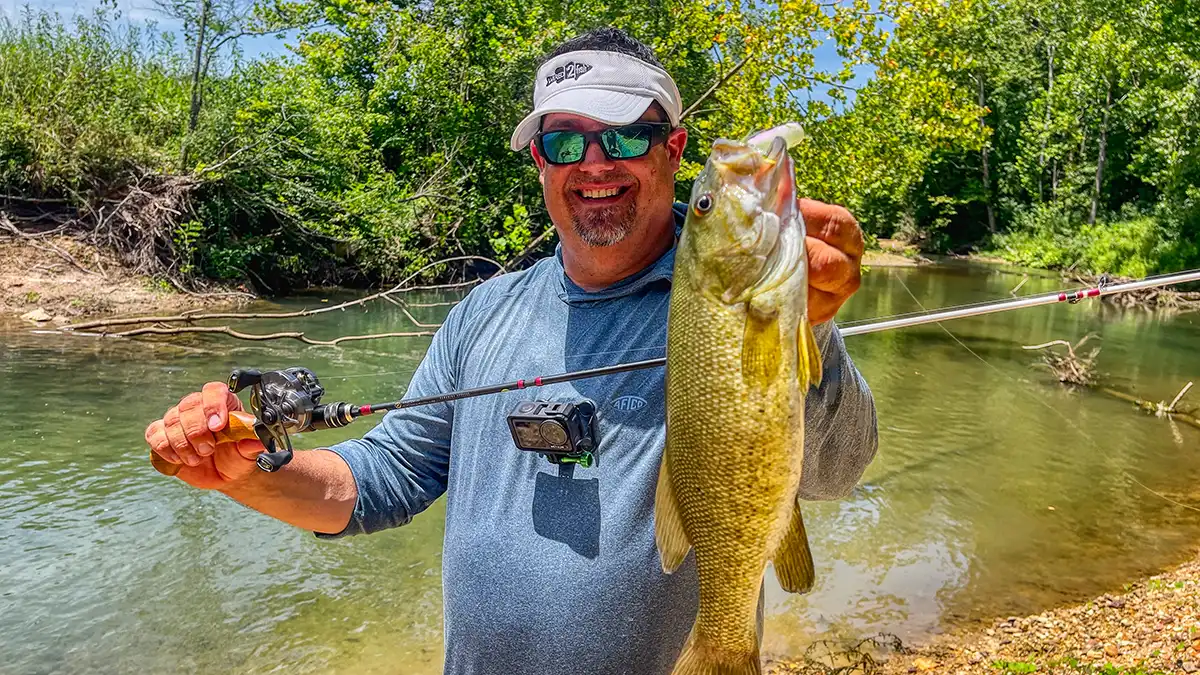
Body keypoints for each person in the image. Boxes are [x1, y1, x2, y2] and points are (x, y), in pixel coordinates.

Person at [144, 27, 879, 675]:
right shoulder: (481, 313)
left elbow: (836, 471)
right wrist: (244, 473)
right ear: (538, 162)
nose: (594, 163)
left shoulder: (737, 303)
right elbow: (386, 477)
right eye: (564, 141)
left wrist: (808, 326)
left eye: (624, 135)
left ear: (674, 149)